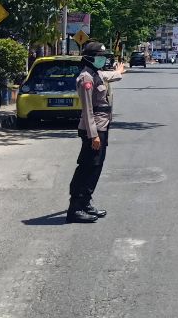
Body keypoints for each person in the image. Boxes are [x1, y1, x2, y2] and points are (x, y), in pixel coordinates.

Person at [67, 41, 120, 224]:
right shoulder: (86, 78)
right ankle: (76, 208)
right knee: (87, 167)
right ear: (90, 57)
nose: (102, 59)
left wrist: (119, 71)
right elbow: (88, 110)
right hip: (94, 129)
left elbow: (110, 75)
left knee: (96, 166)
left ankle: (86, 203)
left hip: (102, 126)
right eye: (100, 56)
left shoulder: (95, 73)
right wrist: (93, 135)